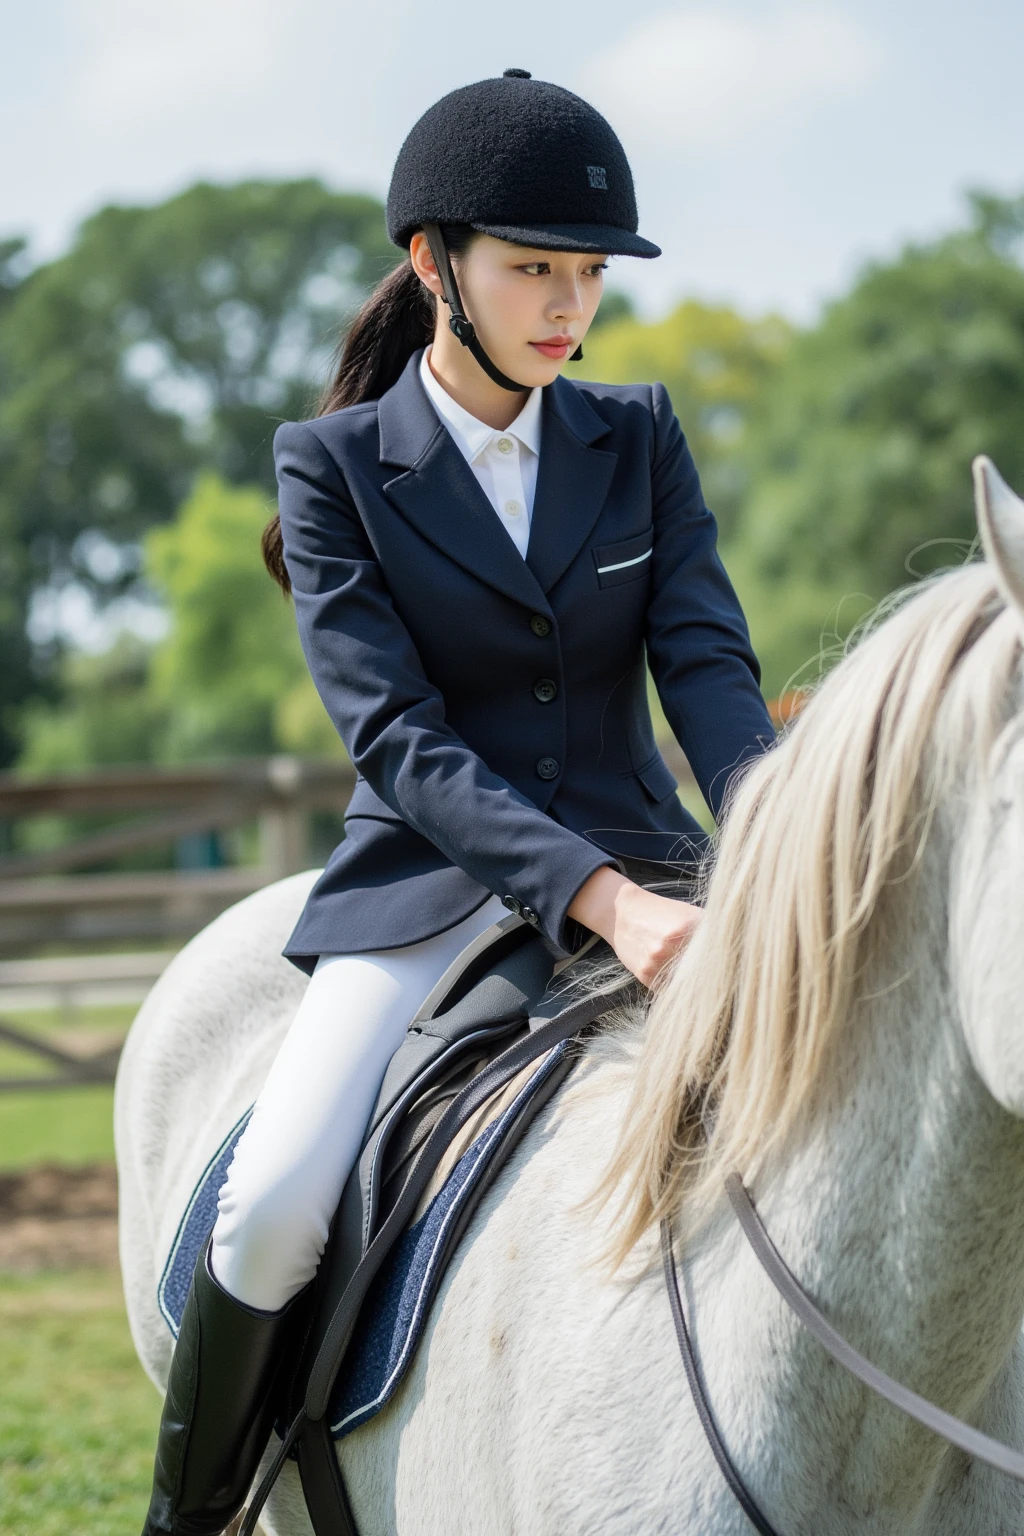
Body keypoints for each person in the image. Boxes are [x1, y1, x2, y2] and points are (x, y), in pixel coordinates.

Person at [141, 69, 775, 1535]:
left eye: (587, 273)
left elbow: (712, 671)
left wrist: (770, 848)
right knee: (280, 1194)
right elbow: (398, 739)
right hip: (430, 881)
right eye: (532, 268)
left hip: (654, 865)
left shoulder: (641, 438)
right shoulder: (334, 468)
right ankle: (196, 1514)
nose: (568, 305)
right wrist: (604, 902)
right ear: (436, 267)